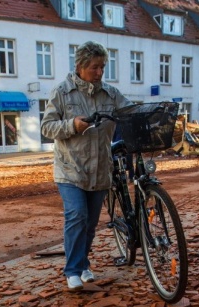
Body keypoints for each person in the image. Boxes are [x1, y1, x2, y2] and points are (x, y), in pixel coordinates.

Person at [41, 42, 131, 291]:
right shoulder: (62, 92)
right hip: (70, 168)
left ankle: (83, 265)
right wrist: (72, 125)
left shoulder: (111, 95)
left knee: (90, 223)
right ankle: (72, 270)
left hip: (100, 168)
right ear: (80, 66)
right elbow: (47, 127)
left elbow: (130, 112)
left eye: (103, 66)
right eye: (95, 67)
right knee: (77, 215)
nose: (100, 72)